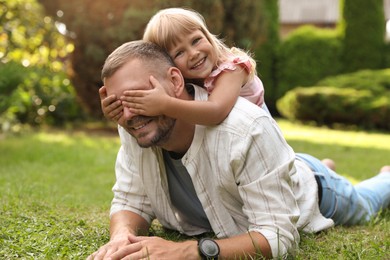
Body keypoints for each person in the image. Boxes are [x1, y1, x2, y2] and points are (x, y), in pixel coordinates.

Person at [88, 40, 390, 259]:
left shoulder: (246, 128)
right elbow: (131, 199)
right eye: (118, 104)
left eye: (139, 97)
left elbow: (278, 237)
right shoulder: (138, 126)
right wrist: (121, 237)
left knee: (366, 202)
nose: (128, 115)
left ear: (176, 81)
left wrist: (188, 252)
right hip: (270, 169)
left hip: (315, 194)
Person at [100, 7, 269, 126]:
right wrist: (120, 110)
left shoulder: (232, 69)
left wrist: (164, 104)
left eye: (196, 40)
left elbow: (215, 111)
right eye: (179, 53)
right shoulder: (188, 82)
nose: (193, 53)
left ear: (207, 36)